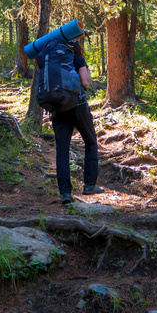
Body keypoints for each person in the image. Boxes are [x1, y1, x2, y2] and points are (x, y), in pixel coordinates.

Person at [50, 39, 103, 204]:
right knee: (91, 142)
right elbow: (86, 82)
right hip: (78, 106)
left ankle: (65, 193)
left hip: (57, 108)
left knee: (62, 151)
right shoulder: (77, 59)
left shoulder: (50, 60)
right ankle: (89, 185)